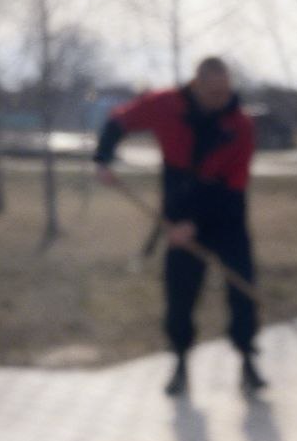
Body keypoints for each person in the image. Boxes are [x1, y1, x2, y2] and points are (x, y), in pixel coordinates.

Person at [93, 56, 266, 398]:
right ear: (196, 85)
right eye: (213, 92)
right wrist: (102, 157)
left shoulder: (241, 125)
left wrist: (194, 225)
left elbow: (234, 187)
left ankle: (247, 360)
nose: (221, 99)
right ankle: (181, 363)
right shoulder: (166, 104)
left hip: (226, 212)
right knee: (180, 293)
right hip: (179, 204)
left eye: (225, 91)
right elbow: (119, 119)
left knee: (243, 286)